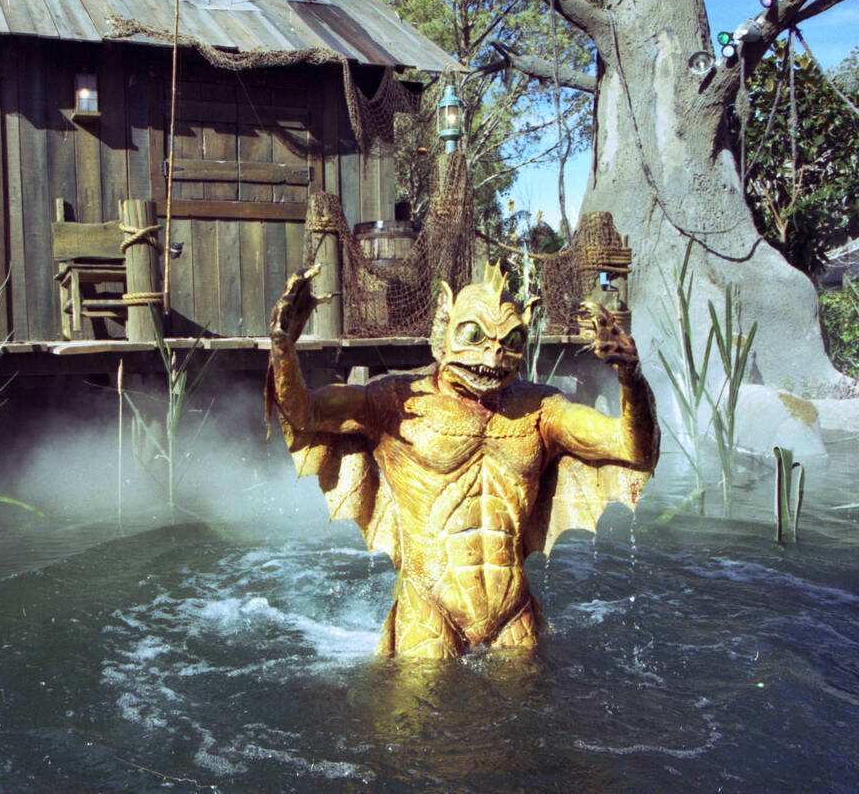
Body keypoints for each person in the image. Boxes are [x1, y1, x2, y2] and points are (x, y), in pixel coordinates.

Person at [265, 261, 659, 658]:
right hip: (429, 604)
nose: (494, 354)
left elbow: (632, 447)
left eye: (511, 340)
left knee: (528, 714)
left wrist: (631, 377)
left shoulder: (541, 409)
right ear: (443, 332)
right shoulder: (395, 400)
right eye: (474, 334)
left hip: (512, 608)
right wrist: (283, 349)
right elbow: (304, 413)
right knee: (414, 716)